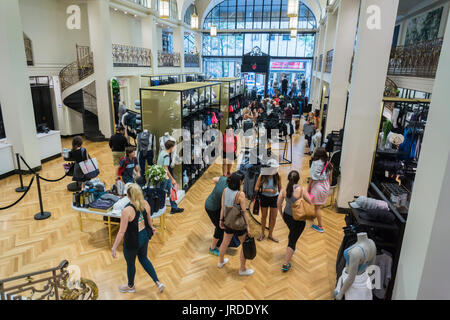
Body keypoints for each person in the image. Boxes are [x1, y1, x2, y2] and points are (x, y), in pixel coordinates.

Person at [111, 184, 165, 294]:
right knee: (144, 259)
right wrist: (152, 227)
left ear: (128, 196)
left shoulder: (127, 211)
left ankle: (131, 286)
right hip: (144, 236)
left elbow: (122, 232)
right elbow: (149, 219)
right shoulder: (145, 203)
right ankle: (158, 282)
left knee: (131, 264)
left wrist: (114, 247)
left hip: (132, 241)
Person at [218, 172, 253, 276]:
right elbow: (244, 212)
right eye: (242, 180)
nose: (243, 182)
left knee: (225, 242)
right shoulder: (240, 194)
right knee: (244, 245)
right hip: (239, 224)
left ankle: (221, 261)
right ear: (239, 182)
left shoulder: (225, 190)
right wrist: (247, 225)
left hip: (228, 221)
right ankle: (242, 269)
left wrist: (221, 220)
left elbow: (223, 207)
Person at [277, 170, 313, 272]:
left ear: (288, 178)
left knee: (292, 234)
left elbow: (278, 204)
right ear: (298, 179)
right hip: (299, 218)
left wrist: (282, 215)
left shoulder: (284, 190)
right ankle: (285, 263)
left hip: (287, 216)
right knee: (293, 240)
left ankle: (291, 250)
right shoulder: (301, 190)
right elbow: (310, 202)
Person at [204, 173, 235, 256]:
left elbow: (214, 178)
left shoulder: (223, 179)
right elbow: (223, 207)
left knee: (220, 226)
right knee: (219, 227)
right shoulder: (227, 190)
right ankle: (212, 248)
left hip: (209, 202)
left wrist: (216, 189)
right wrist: (221, 219)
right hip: (212, 208)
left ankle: (218, 242)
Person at [254, 160, 281, 242]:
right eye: (274, 168)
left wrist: (281, 198)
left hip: (275, 198)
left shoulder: (277, 176)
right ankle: (262, 233)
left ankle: (270, 234)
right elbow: (256, 188)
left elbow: (281, 188)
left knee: (273, 217)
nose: (276, 170)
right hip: (264, 198)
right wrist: (267, 190)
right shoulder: (262, 176)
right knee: (264, 217)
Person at [309, 147, 332, 233]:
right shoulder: (328, 164)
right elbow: (330, 179)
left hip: (318, 187)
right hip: (326, 186)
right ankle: (314, 215)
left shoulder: (315, 163)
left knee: (317, 207)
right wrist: (327, 187)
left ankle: (320, 226)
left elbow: (313, 178)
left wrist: (309, 187)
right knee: (317, 205)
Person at [157, 140, 184, 214]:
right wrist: (172, 179)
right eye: (174, 147)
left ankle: (174, 208)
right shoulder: (166, 156)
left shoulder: (162, 153)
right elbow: (165, 168)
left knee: (171, 191)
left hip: (162, 177)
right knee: (162, 193)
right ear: (171, 147)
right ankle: (160, 209)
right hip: (164, 177)